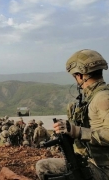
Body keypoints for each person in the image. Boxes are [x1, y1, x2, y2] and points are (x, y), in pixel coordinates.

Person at [35, 49, 109, 180]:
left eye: (75, 76)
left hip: (103, 169)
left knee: (43, 167)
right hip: (90, 162)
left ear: (80, 75)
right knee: (44, 165)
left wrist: (77, 131)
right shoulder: (90, 98)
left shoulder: (102, 98)